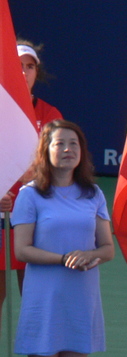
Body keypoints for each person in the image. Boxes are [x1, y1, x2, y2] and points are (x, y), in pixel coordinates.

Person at [12, 121, 114, 357]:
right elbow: (22, 249)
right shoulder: (30, 195)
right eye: (60, 143)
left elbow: (108, 248)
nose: (68, 149)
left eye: (74, 143)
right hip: (44, 303)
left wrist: (90, 255)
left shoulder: (93, 195)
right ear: (47, 150)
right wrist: (63, 259)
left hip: (80, 302)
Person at [1, 41, 65, 328]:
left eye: (30, 66)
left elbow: (61, 165)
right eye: (18, 66)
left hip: (36, 224)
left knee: (36, 305)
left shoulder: (50, 115)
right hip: (1, 221)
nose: (24, 72)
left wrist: (38, 175)